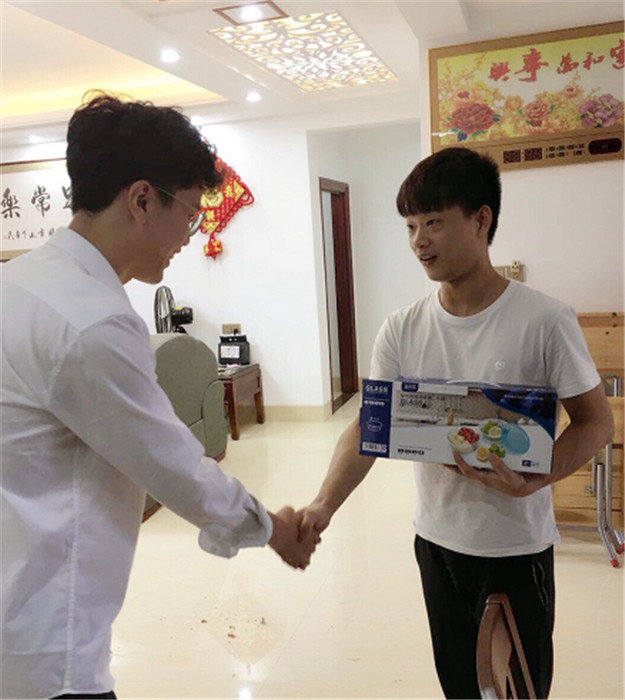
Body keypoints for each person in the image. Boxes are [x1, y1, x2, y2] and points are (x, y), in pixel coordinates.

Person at [0, 93, 317, 699]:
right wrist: (274, 529)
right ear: (143, 200)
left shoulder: (16, 283)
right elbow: (174, 466)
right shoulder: (93, 321)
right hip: (48, 648)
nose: (190, 237)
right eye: (191, 216)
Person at [300, 147, 614, 699]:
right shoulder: (402, 328)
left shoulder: (544, 319)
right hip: (436, 543)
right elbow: (370, 426)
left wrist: (537, 479)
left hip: (515, 548)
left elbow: (595, 423)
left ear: (481, 220)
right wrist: (323, 505)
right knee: (461, 687)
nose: (419, 241)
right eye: (411, 226)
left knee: (518, 691)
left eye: (434, 223)